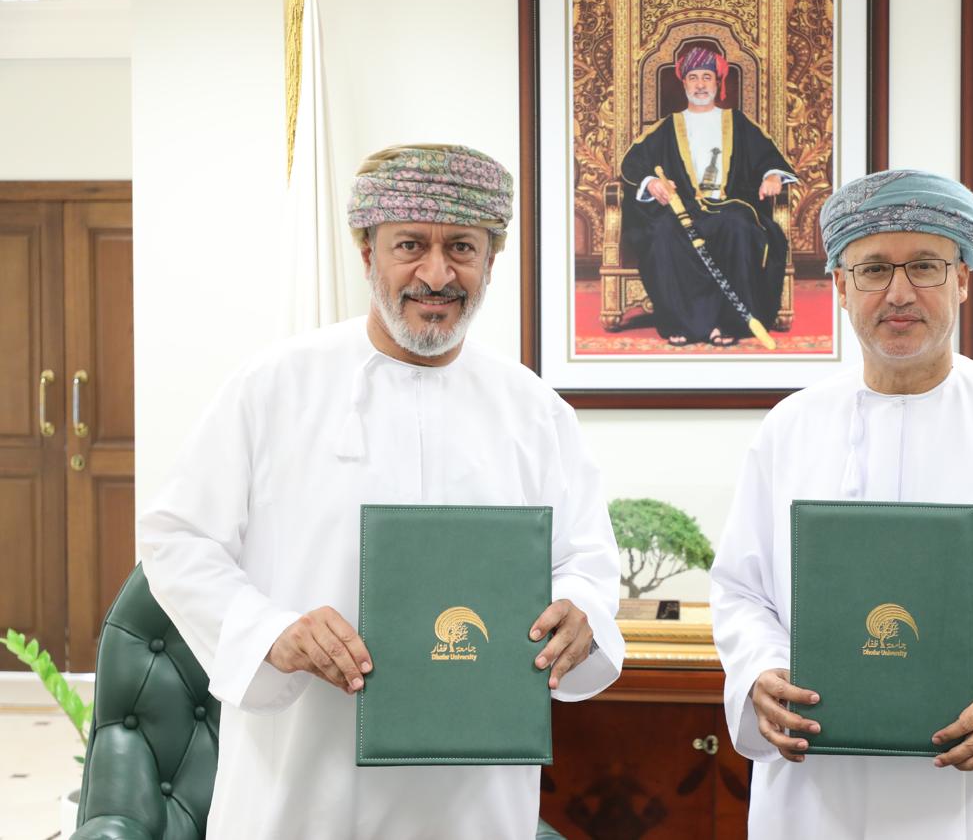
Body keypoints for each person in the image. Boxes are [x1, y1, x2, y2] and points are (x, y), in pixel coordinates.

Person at [138, 144, 624, 839]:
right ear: (367, 253)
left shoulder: (535, 412)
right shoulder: (273, 386)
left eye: (462, 246)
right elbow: (176, 536)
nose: (436, 272)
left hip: (473, 804)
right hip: (302, 791)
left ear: (491, 259)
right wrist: (271, 631)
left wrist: (583, 612)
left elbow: (588, 562)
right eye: (410, 245)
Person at [710, 169, 973, 838]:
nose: (900, 292)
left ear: (963, 279)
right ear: (843, 287)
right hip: (822, 792)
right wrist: (759, 670)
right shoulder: (789, 428)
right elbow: (741, 591)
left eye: (926, 266)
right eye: (874, 268)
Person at [620, 41, 796, 346]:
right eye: (693, 78)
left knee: (739, 228)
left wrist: (771, 176)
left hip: (730, 206)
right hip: (683, 209)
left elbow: (769, 158)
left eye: (706, 77)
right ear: (684, 82)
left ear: (718, 82)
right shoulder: (667, 127)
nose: (700, 85)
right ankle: (682, 323)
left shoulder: (738, 124)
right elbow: (632, 164)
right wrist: (651, 183)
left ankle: (728, 324)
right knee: (662, 233)